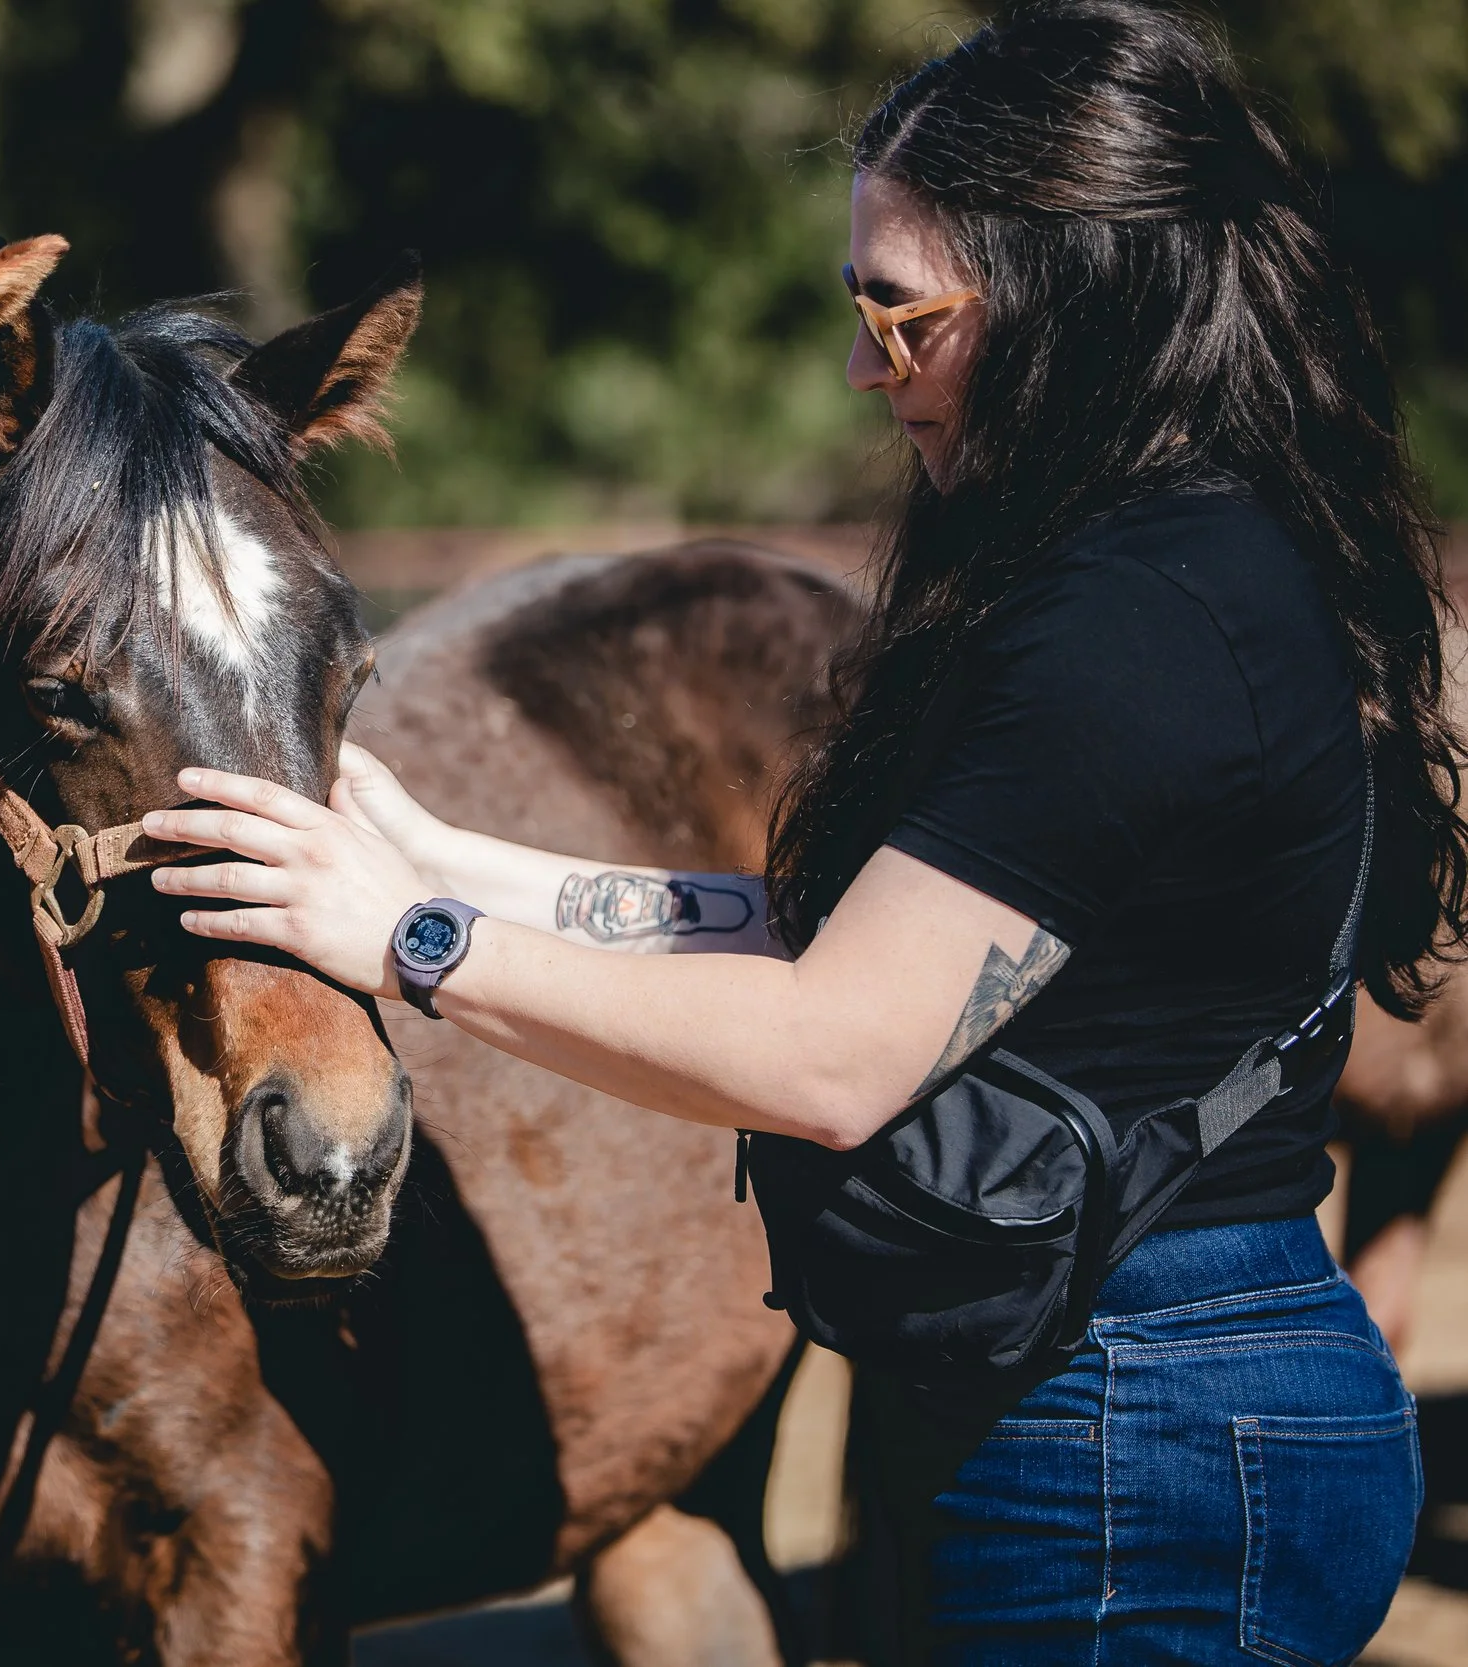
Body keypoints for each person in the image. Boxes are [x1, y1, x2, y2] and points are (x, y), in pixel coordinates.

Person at [141, 4, 1466, 1661]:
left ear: (1076, 295)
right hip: (1150, 1389)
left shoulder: (1139, 621)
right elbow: (839, 940)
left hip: (1141, 1430)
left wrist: (414, 949)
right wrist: (436, 857)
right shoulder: (1170, 563)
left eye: (901, 315)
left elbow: (838, 1050)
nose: (863, 367)